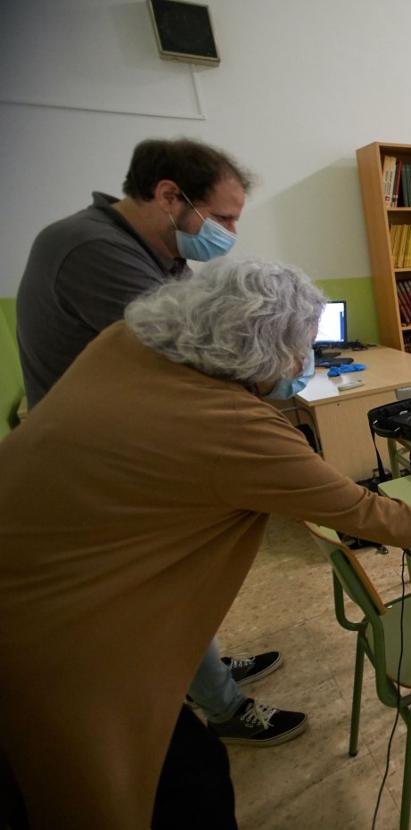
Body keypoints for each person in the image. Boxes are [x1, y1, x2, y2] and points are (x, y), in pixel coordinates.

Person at [0, 259, 411, 829]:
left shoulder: (124, 342)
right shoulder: (233, 428)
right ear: (260, 348)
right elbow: (361, 510)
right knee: (173, 787)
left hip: (35, 579)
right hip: (61, 648)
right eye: (302, 346)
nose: (306, 361)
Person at [12, 139, 304, 751]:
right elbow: (187, 365)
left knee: (177, 585)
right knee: (162, 590)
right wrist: (271, 374)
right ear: (170, 196)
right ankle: (222, 707)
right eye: (222, 218)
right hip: (93, 466)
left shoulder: (160, 254)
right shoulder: (93, 250)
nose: (227, 233)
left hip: (120, 447)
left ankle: (211, 679)